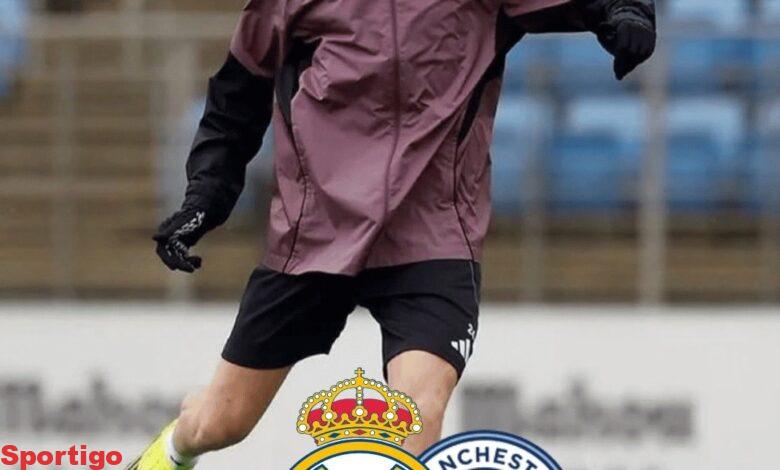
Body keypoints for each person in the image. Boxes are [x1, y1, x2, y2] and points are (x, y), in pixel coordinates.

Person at [128, 0, 655, 468]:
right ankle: (171, 454)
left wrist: (627, 12)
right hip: (315, 235)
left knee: (416, 416)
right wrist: (206, 197)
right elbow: (237, 97)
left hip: (433, 232)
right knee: (219, 424)